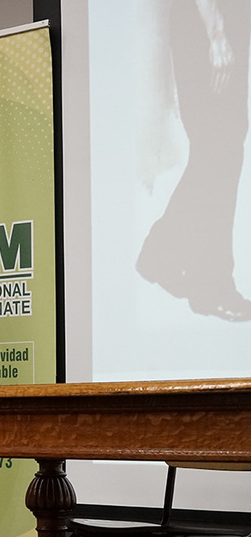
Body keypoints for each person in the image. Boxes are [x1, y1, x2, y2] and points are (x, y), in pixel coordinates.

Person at [136, 0, 251, 320]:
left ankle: (164, 257)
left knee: (220, 151)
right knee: (219, 151)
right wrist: (216, 33)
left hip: (218, 21)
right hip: (209, 20)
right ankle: (209, 284)